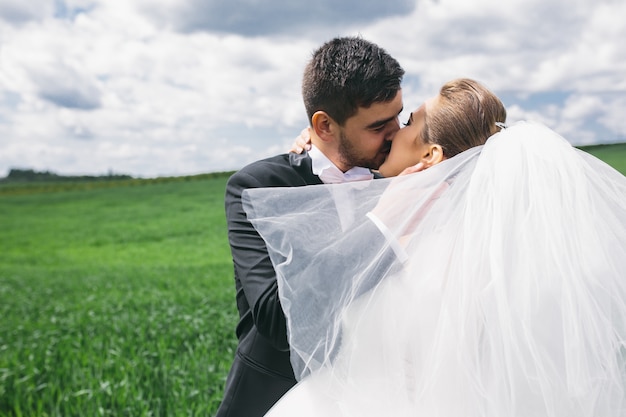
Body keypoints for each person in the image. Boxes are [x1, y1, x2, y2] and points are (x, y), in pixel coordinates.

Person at [243, 79, 626, 416]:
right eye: (386, 123)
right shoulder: (444, 228)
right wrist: (326, 140)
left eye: (408, 122)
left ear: (430, 156)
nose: (394, 131)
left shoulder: (440, 254)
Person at [216, 36, 405, 417]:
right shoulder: (257, 187)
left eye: (400, 115)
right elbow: (274, 316)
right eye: (380, 125)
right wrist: (381, 225)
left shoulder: (400, 179)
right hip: (282, 395)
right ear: (324, 125)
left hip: (382, 389)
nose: (397, 132)